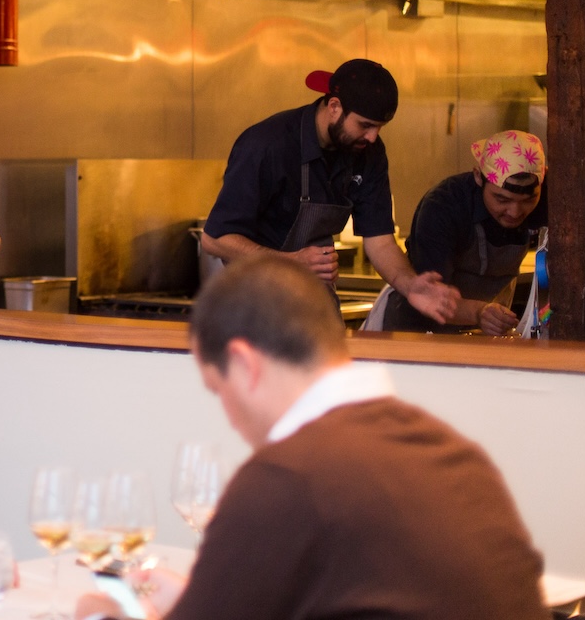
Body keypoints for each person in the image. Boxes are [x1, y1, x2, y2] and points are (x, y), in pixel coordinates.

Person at [73, 254, 547, 620]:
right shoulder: (454, 452)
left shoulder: (285, 478)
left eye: (219, 391)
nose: (230, 419)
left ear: (244, 364)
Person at [199, 58, 460, 325]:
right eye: (365, 125)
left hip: (312, 302)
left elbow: (380, 242)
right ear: (334, 107)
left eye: (379, 127)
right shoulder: (268, 144)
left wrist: (410, 285)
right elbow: (214, 239)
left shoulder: (368, 153)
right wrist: (290, 262)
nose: (372, 137)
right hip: (249, 305)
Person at [374, 130, 547, 335]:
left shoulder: (549, 199)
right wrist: (478, 313)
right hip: (417, 332)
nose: (515, 212)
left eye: (528, 200)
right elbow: (431, 296)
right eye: (502, 199)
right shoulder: (444, 206)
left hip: (484, 332)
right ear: (478, 176)